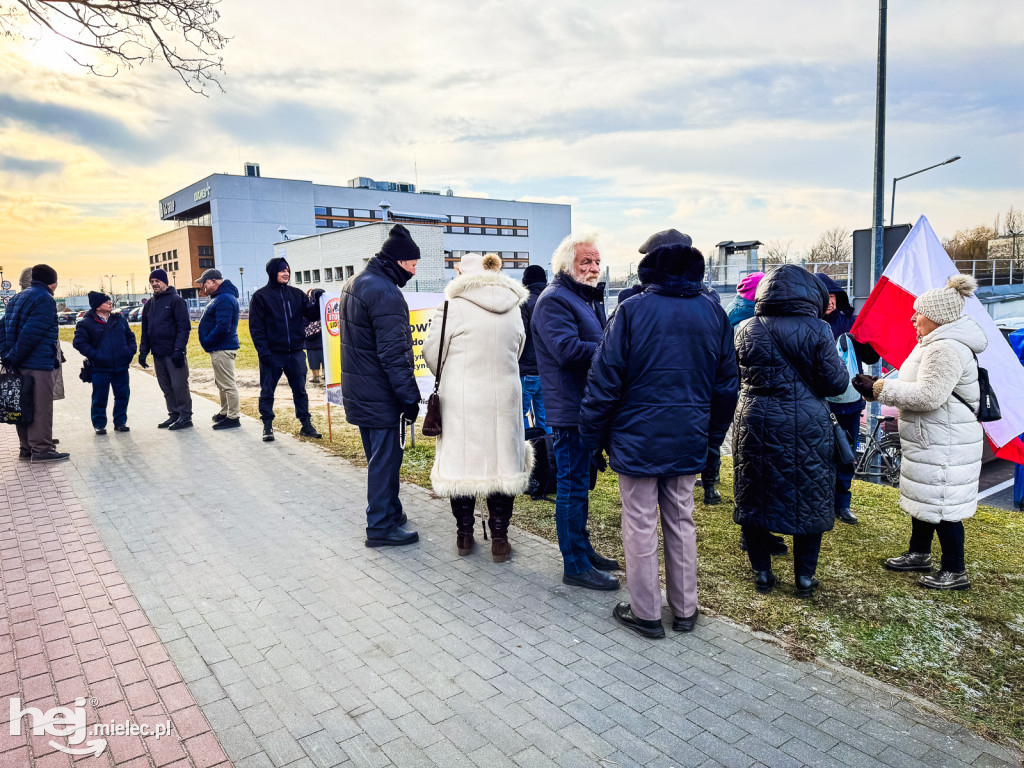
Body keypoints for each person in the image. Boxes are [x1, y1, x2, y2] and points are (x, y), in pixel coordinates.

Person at [581, 239, 738, 638]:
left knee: (639, 522)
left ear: (650, 271)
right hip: (689, 434)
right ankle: (685, 608)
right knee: (681, 519)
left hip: (637, 436)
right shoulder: (713, 313)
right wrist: (711, 439)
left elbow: (604, 381)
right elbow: (726, 387)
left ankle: (646, 612)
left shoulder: (631, 310)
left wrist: (592, 437)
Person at [854, 275, 986, 590]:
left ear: (937, 317)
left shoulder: (945, 348)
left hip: (945, 441)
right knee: (926, 499)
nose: (913, 318)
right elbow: (915, 385)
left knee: (943, 505)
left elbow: (928, 396)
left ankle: (955, 571)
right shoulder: (934, 343)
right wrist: (876, 388)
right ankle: (919, 554)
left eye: (919, 313)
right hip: (934, 438)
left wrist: (879, 388)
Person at [732, 266, 849, 598]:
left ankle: (762, 574)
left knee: (754, 495)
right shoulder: (819, 329)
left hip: (754, 419)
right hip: (806, 423)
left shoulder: (745, 328)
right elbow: (836, 383)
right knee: (809, 497)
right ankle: (804, 579)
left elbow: (733, 375)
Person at [424, 252, 531, 560]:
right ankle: (499, 539)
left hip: (462, 400)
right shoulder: (514, 308)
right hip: (505, 396)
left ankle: (464, 537)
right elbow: (519, 348)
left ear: (461, 273)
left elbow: (433, 355)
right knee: (502, 466)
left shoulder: (451, 306)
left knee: (462, 467)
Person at [532, 232, 621, 591]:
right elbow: (567, 350)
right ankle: (574, 564)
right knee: (571, 486)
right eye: (586, 262)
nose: (594, 268)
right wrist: (613, 348)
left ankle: (583, 549)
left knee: (582, 484)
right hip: (569, 411)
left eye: (597, 262)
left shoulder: (583, 298)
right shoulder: (555, 300)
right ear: (567, 265)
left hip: (586, 406)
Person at [339, 224, 422, 547]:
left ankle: (391, 511)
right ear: (399, 261)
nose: (415, 272)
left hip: (361, 393)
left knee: (379, 459)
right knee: (385, 463)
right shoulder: (385, 292)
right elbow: (394, 353)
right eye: (413, 266)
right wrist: (409, 398)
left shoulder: (356, 283)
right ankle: (380, 527)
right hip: (381, 396)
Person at [816, 272, 880, 526]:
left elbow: (872, 357)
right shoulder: (808, 323)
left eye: (832, 296)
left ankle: (842, 504)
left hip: (850, 403)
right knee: (820, 456)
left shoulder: (853, 323)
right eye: (824, 297)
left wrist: (865, 338)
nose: (829, 302)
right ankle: (822, 503)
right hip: (820, 403)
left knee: (846, 455)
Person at [248, 257, 323, 442]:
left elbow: (312, 314)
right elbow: (256, 328)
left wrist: (318, 298)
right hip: (272, 354)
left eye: (288, 270)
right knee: (267, 391)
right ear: (273, 272)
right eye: (282, 270)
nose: (286, 273)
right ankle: (267, 425)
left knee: (300, 390)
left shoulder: (296, 294)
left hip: (296, 353)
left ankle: (306, 425)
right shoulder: (260, 297)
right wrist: (263, 352)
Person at [0, 264, 67, 462]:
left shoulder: (17, 298)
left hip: (18, 364)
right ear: (52, 282)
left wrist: (7, 355)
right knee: (40, 407)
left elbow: (2, 328)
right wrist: (15, 355)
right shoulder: (44, 298)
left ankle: (26, 448)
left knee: (23, 405)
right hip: (36, 364)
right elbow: (32, 333)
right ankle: (42, 449)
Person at [73, 292, 137, 435]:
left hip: (121, 366)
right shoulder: (86, 323)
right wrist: (96, 355)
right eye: (106, 301)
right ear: (97, 306)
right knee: (100, 397)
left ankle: (120, 422)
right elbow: (79, 343)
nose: (110, 303)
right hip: (100, 368)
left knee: (122, 395)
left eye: (110, 301)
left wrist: (130, 351)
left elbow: (130, 336)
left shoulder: (119, 319)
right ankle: (99, 424)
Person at [138, 268, 193, 430]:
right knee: (166, 386)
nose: (154, 284)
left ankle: (185, 415)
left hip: (173, 353)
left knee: (179, 385)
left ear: (165, 282)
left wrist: (179, 349)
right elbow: (146, 330)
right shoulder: (149, 305)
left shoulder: (176, 301)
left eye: (157, 281)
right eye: (152, 282)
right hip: (158, 352)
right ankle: (174, 414)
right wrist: (143, 352)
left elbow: (184, 327)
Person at [196, 269, 242, 430]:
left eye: (205, 283)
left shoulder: (224, 299)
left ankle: (233, 417)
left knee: (228, 384)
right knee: (221, 383)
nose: (203, 286)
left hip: (222, 348)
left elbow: (223, 326)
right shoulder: (220, 297)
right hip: (219, 348)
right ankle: (225, 412)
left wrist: (208, 341)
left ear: (214, 282)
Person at [519, 265, 549, 433]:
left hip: (526, 369)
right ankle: (549, 456)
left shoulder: (524, 302)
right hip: (547, 371)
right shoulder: (551, 299)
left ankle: (526, 455)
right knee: (545, 417)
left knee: (520, 416)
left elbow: (520, 334)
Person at [305, 288, 326, 386]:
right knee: (325, 358)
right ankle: (326, 374)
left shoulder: (308, 306)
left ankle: (315, 377)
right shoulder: (326, 304)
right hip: (325, 340)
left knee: (313, 359)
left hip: (311, 342)